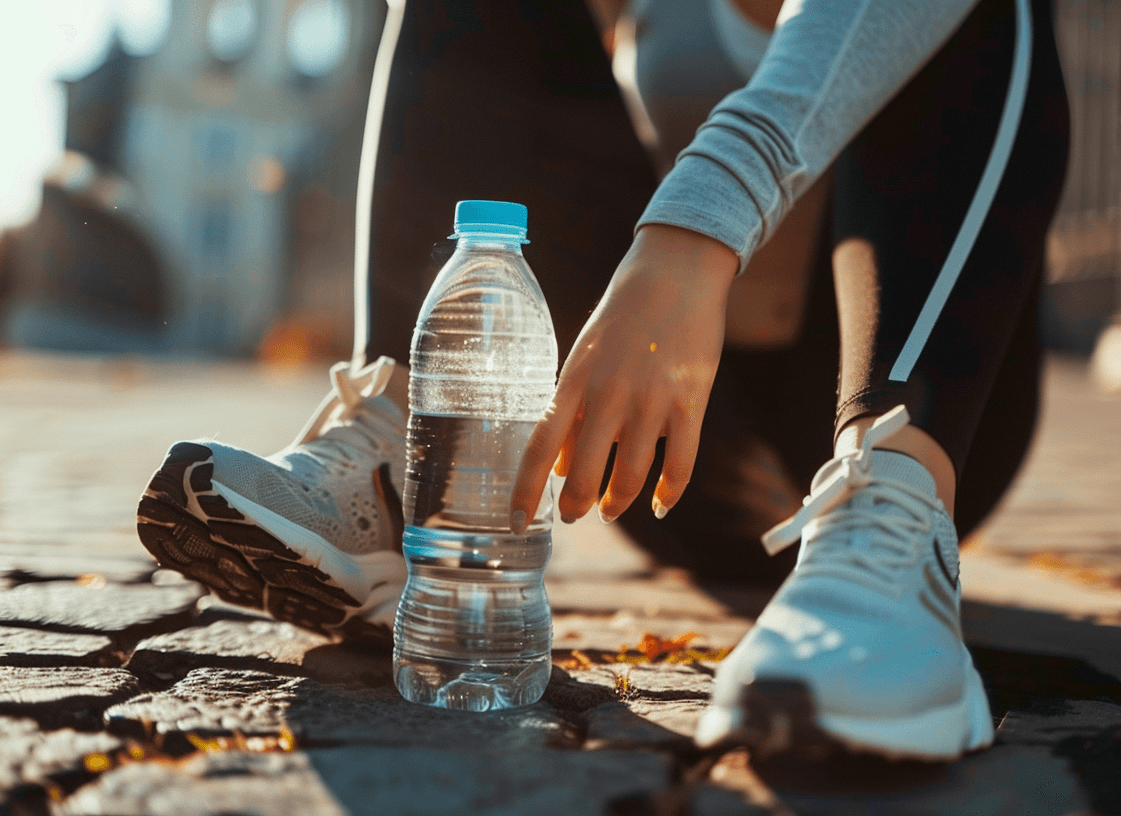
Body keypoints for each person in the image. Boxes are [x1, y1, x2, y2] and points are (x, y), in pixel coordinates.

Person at [136, 0, 1069, 759]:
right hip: (672, 468)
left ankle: (890, 526)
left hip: (905, 404)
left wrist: (696, 233)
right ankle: (397, 464)